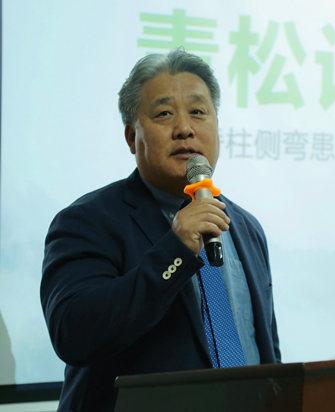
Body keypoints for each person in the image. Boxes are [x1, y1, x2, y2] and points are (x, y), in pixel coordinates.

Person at [41, 48, 280, 412]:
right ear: (131, 136)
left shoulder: (245, 227)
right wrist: (177, 249)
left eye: (198, 112)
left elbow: (264, 349)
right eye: (164, 114)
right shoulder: (87, 221)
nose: (185, 128)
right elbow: (74, 334)